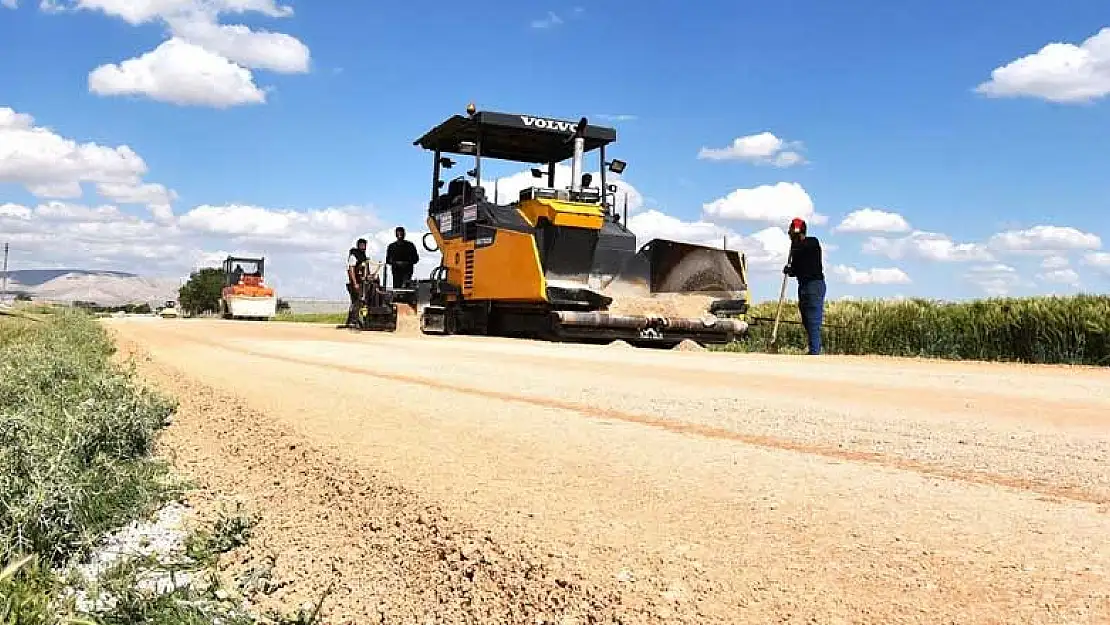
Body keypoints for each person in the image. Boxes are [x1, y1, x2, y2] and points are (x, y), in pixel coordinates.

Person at [783, 217, 826, 355]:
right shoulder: (796, 250)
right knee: (806, 318)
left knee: (813, 318)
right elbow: (796, 271)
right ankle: (813, 348)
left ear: (797, 231)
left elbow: (805, 247)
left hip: (815, 286)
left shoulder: (812, 242)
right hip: (803, 286)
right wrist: (789, 270)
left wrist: (795, 244)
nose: (788, 234)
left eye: (791, 231)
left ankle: (815, 352)